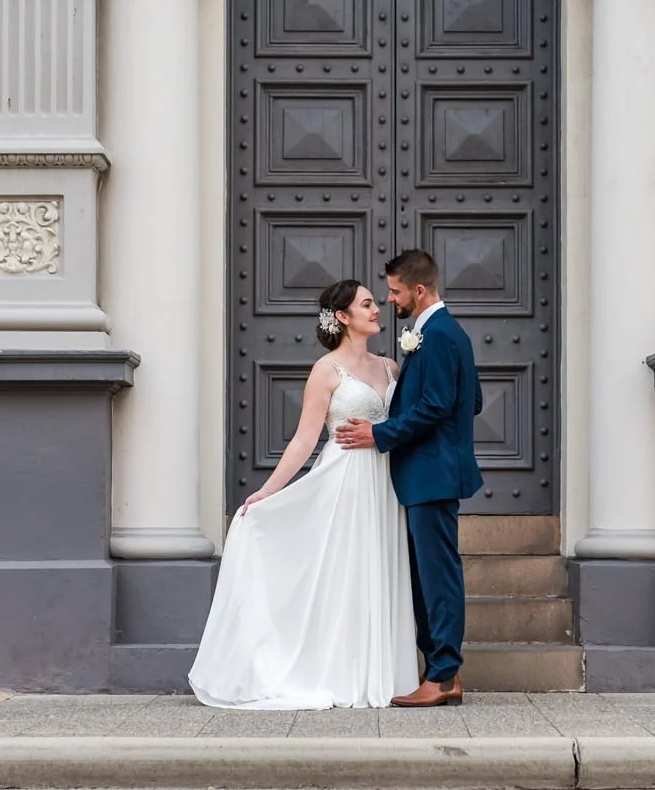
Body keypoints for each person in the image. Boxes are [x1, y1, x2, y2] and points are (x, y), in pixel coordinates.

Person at [187, 279, 418, 709]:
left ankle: (379, 674)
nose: (376, 310)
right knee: (345, 574)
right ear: (343, 317)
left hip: (385, 481)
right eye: (366, 304)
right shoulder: (326, 371)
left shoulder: (390, 367)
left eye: (374, 303)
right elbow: (303, 439)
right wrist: (267, 492)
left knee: (378, 568)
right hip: (344, 482)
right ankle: (337, 671)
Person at [333, 248, 483, 708]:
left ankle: (442, 676)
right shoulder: (440, 332)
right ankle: (440, 673)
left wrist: (381, 433)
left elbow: (438, 406)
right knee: (428, 576)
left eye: (396, 291)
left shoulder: (436, 335)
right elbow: (471, 400)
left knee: (436, 578)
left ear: (418, 290)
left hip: (432, 474)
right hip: (431, 470)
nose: (390, 299)